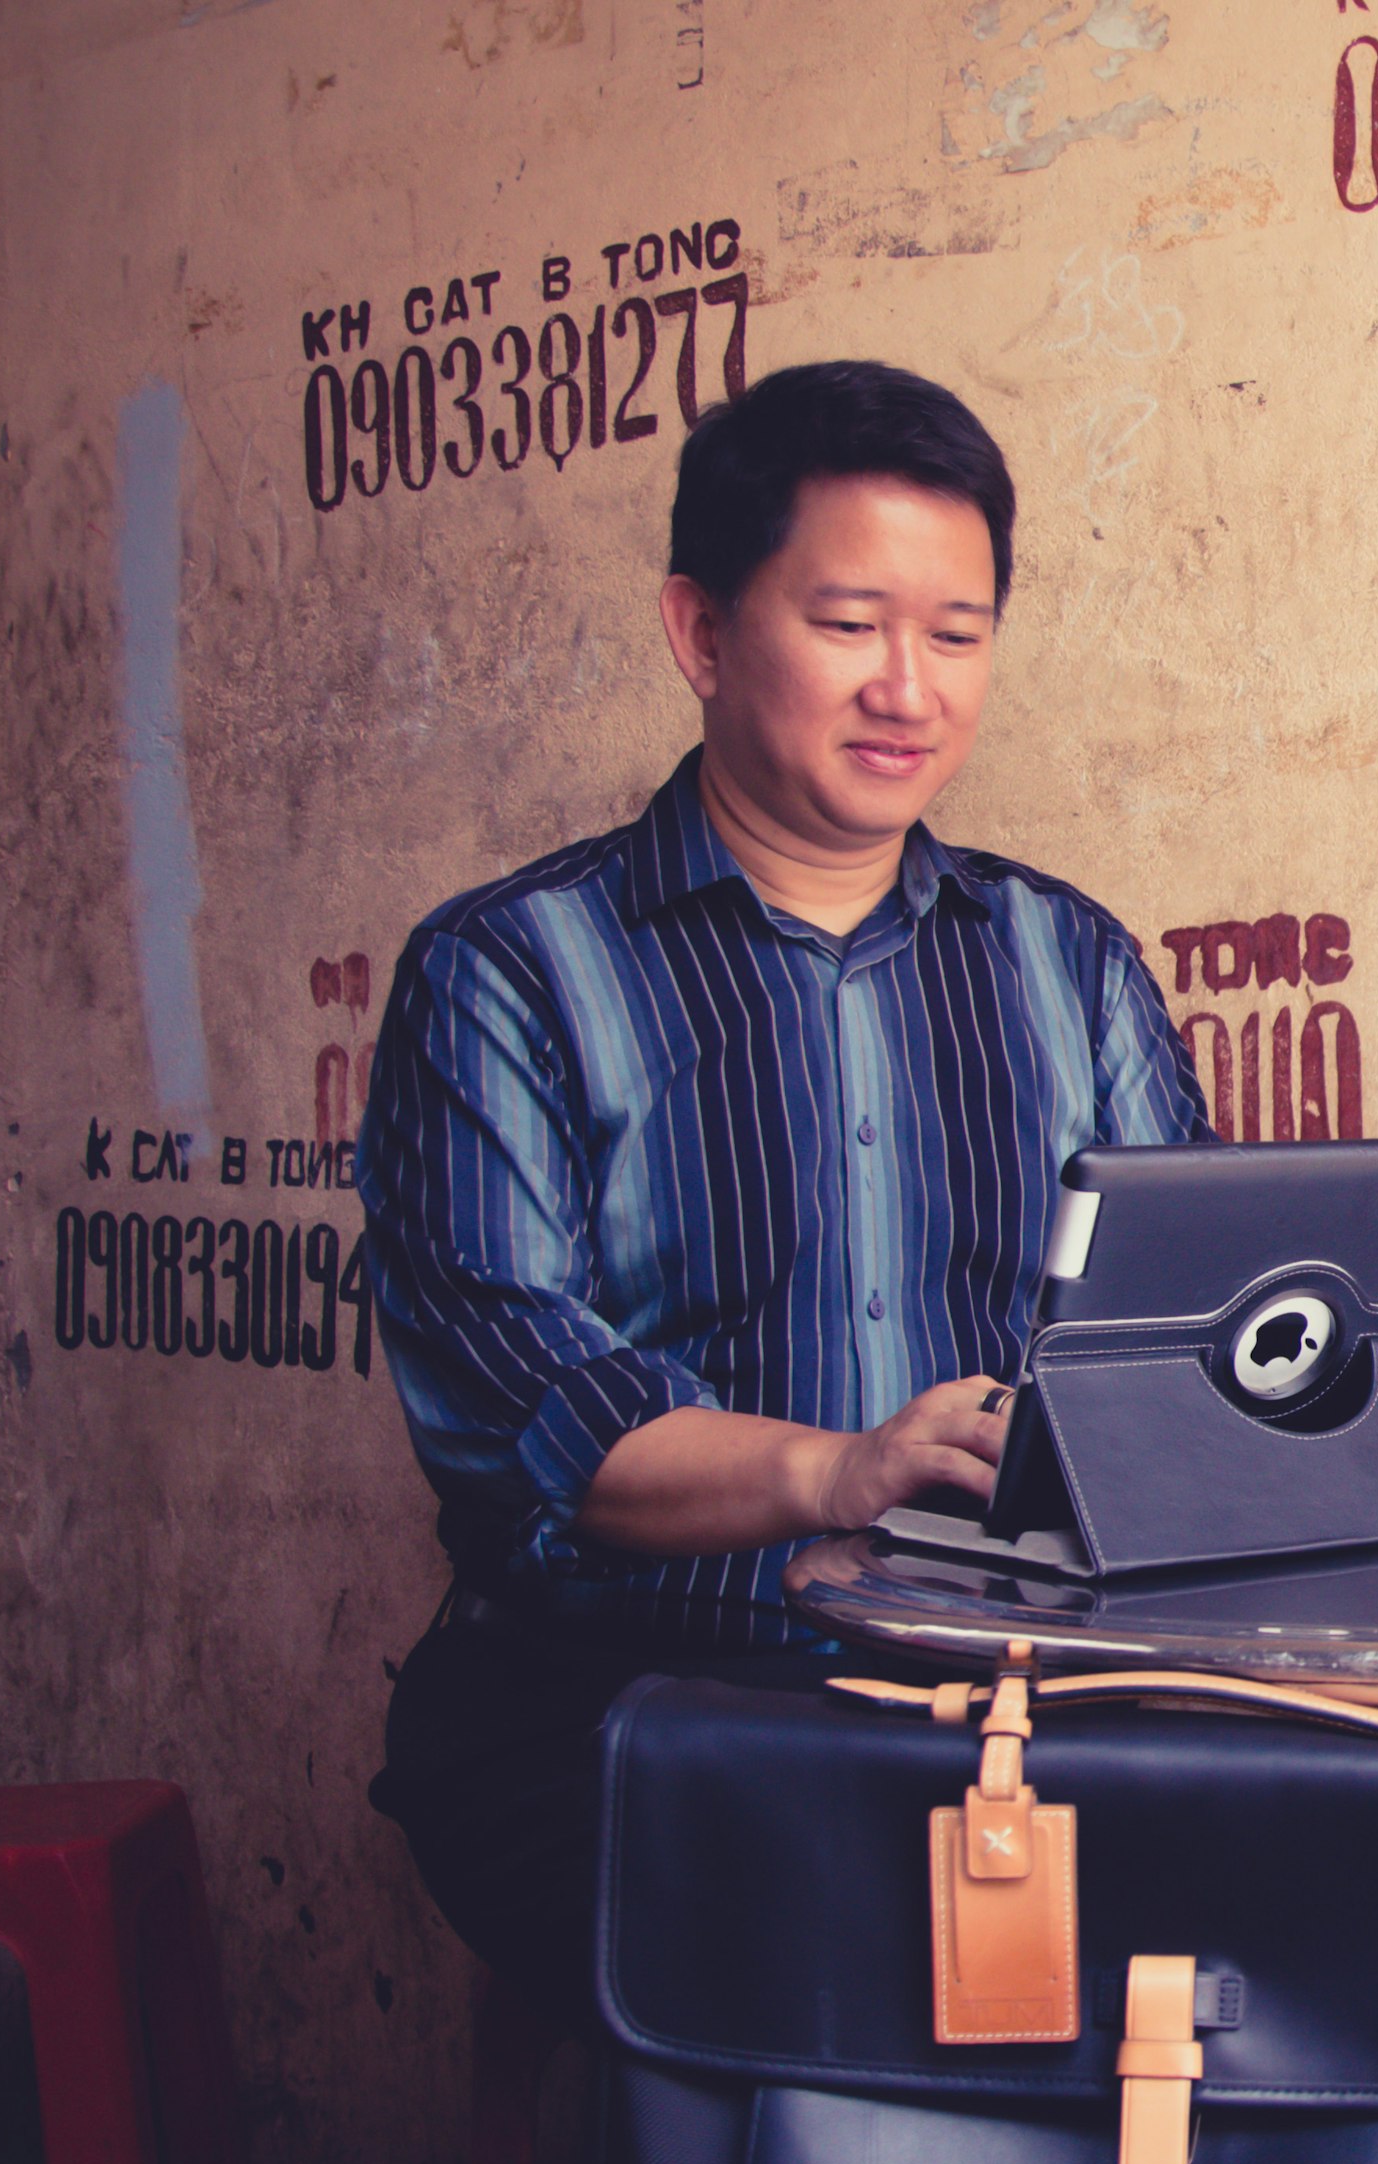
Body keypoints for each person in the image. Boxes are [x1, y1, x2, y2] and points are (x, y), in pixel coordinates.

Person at [357, 360, 1211, 2024]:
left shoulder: (1073, 966)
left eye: (958, 634)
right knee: (909, 1972)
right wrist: (843, 1470)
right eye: (850, 624)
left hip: (1017, 1696)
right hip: (641, 1703)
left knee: (1355, 1884)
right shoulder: (508, 978)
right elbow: (523, 1414)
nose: (911, 687)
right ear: (700, 632)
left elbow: (1176, 1346)